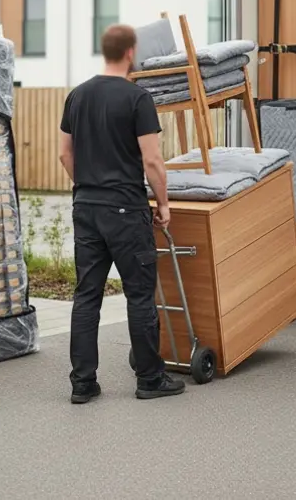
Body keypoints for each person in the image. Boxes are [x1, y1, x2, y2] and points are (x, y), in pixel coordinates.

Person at [58, 24, 186, 403]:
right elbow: (152, 161)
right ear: (131, 52)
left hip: (86, 208)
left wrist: (85, 187)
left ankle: (83, 384)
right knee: (139, 294)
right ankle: (149, 379)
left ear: (105, 51)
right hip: (126, 210)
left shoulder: (77, 96)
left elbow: (66, 154)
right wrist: (163, 205)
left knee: (87, 297)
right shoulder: (137, 98)